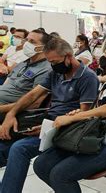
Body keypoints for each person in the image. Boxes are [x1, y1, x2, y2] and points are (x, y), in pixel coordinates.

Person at [33, 40, 106, 193]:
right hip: (102, 136)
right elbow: (99, 110)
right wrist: (79, 114)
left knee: (61, 174)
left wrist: (74, 118)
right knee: (42, 164)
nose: (102, 57)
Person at [0, 36, 99, 193]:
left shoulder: (88, 78)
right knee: (3, 143)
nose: (52, 65)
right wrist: (11, 114)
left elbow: (83, 115)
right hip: (47, 122)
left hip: (67, 128)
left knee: (19, 149)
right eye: (50, 62)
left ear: (68, 56)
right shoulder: (57, 72)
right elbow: (33, 95)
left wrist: (49, 129)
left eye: (54, 62)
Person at [0, 29, 50, 107]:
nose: (26, 44)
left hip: (7, 108)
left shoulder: (45, 69)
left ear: (42, 48)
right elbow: (6, 85)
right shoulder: (23, 63)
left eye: (32, 42)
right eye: (27, 40)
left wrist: (2, 109)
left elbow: (34, 103)